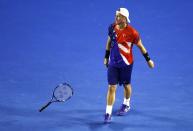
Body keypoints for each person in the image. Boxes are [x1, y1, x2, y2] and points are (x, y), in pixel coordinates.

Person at [103, 8, 154, 123]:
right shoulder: (112, 27)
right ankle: (108, 112)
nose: (116, 18)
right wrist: (106, 57)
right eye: (116, 15)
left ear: (125, 19)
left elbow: (141, 46)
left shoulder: (133, 33)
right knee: (111, 87)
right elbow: (108, 42)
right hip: (113, 63)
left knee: (126, 85)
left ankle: (126, 104)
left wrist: (148, 60)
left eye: (119, 16)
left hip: (126, 63)